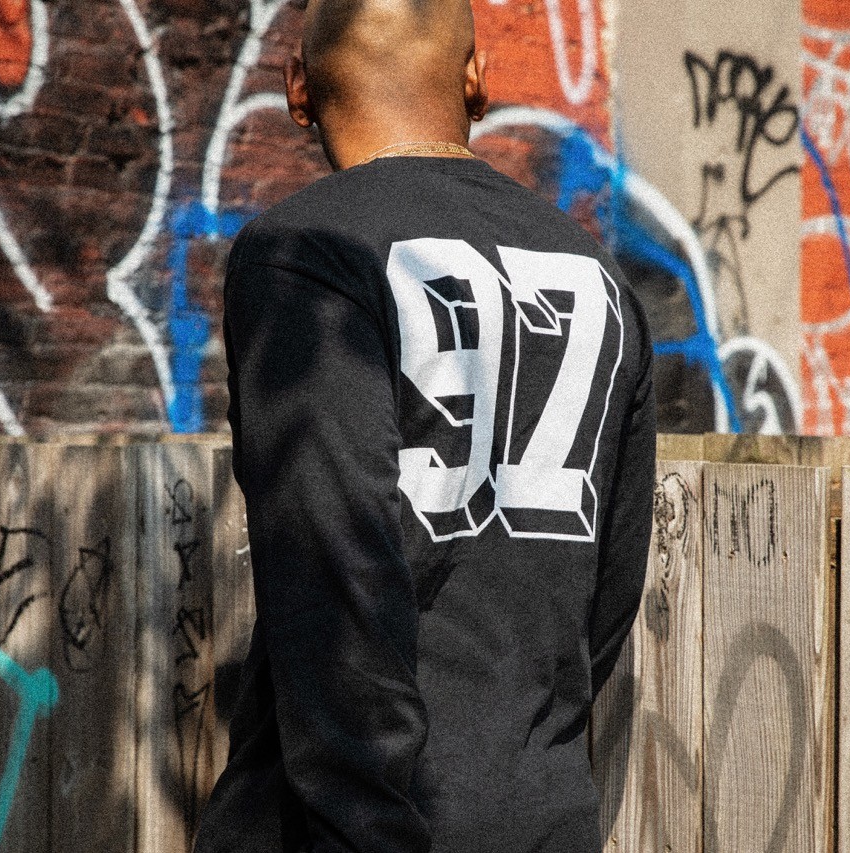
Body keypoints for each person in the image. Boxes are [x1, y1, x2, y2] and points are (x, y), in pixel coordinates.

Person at [194, 0, 655, 849]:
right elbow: (611, 590)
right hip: (542, 820)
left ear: (297, 88)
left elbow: (335, 571)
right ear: (477, 79)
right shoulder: (599, 278)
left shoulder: (307, 254)